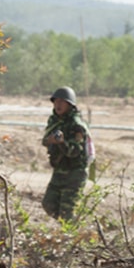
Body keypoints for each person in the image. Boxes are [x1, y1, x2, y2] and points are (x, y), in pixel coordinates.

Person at [41, 86, 91, 221]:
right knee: (48, 204)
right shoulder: (54, 121)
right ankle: (69, 227)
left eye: (62, 102)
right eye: (56, 101)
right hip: (59, 170)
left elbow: (75, 152)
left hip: (75, 172)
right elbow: (44, 141)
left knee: (67, 211)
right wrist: (50, 140)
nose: (58, 104)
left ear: (70, 104)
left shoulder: (76, 125)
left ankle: (73, 233)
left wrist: (62, 143)